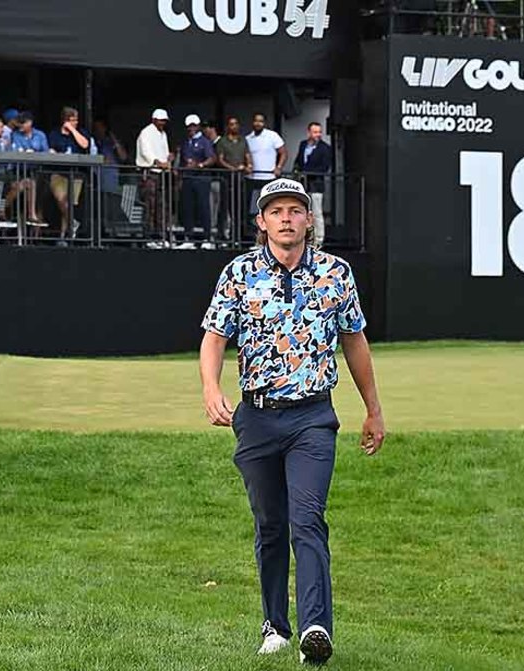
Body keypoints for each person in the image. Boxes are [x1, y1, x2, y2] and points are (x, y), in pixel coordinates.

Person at [198, 178, 385, 666]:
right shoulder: (238, 274)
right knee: (271, 525)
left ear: (308, 220)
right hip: (256, 418)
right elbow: (215, 337)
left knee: (307, 519)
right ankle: (275, 626)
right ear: (261, 222)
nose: (286, 218)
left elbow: (355, 343)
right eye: (276, 210)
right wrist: (211, 387)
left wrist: (373, 408)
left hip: (313, 418)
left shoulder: (335, 273)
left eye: (295, 210)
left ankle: (316, 627)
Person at [47, 106, 94, 241]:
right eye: (72, 120)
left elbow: (85, 145)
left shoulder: (80, 132)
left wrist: (73, 130)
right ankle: (72, 223)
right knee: (61, 201)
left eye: (76, 120)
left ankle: (64, 237)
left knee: (69, 204)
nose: (76, 123)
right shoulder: (55, 134)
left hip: (76, 174)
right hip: (58, 173)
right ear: (65, 120)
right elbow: (50, 151)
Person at [177, 114, 217, 246]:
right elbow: (183, 161)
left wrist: (200, 165)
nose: (191, 128)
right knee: (188, 208)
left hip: (201, 179)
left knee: (203, 208)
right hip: (188, 179)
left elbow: (212, 158)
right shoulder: (185, 143)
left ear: (198, 126)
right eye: (189, 126)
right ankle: (189, 238)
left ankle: (207, 238)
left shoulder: (205, 141)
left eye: (194, 125)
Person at [294, 122, 333, 249]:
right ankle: (304, 238)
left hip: (316, 184)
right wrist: (296, 172)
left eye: (319, 132)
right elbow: (298, 161)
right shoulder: (303, 144)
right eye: (315, 132)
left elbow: (325, 167)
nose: (318, 135)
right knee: (302, 212)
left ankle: (319, 240)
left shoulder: (325, 148)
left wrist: (307, 173)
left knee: (316, 212)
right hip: (303, 184)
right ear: (309, 133)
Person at [135, 109, 173, 240]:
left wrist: (168, 160)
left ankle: (160, 235)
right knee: (149, 205)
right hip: (149, 173)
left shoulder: (163, 134)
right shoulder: (146, 133)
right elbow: (146, 152)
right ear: (154, 120)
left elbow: (165, 152)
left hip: (161, 174)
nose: (163, 123)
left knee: (161, 205)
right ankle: (148, 237)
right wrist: (157, 162)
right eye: (160, 120)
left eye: (164, 121)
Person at [246, 113, 287, 218]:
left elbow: (284, 152)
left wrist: (279, 167)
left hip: (269, 177)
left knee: (269, 207)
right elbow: (246, 155)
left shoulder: (272, 135)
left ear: (264, 123)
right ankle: (251, 231)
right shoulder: (248, 138)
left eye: (260, 121)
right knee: (251, 208)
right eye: (256, 121)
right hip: (252, 177)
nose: (258, 123)